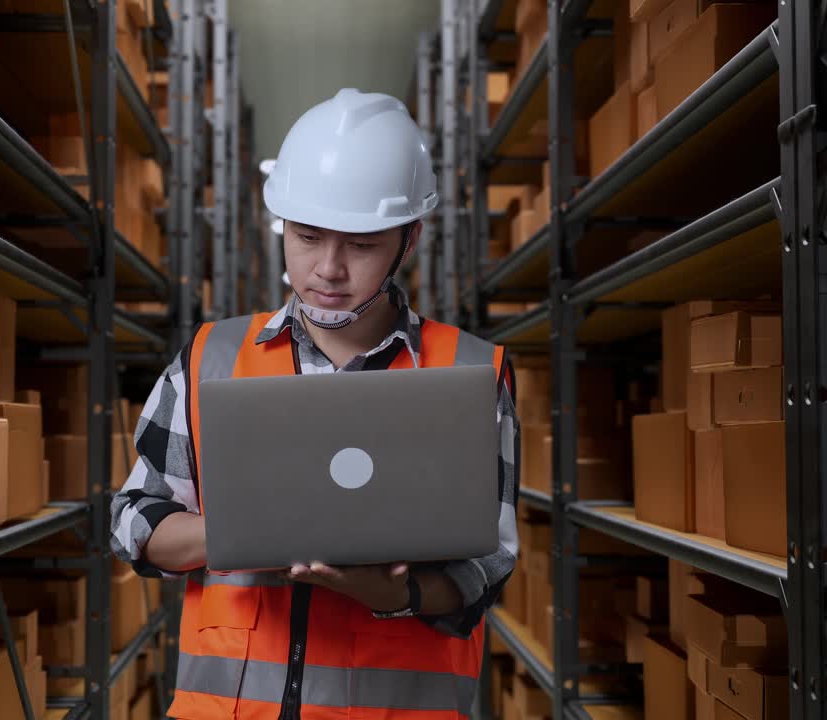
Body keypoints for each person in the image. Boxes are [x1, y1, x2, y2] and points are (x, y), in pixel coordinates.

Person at [110, 88, 520, 719]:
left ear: (407, 241)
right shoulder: (210, 356)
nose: (327, 269)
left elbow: (488, 564)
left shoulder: (471, 371)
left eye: (360, 245)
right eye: (306, 237)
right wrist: (243, 536)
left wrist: (394, 594)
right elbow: (137, 520)